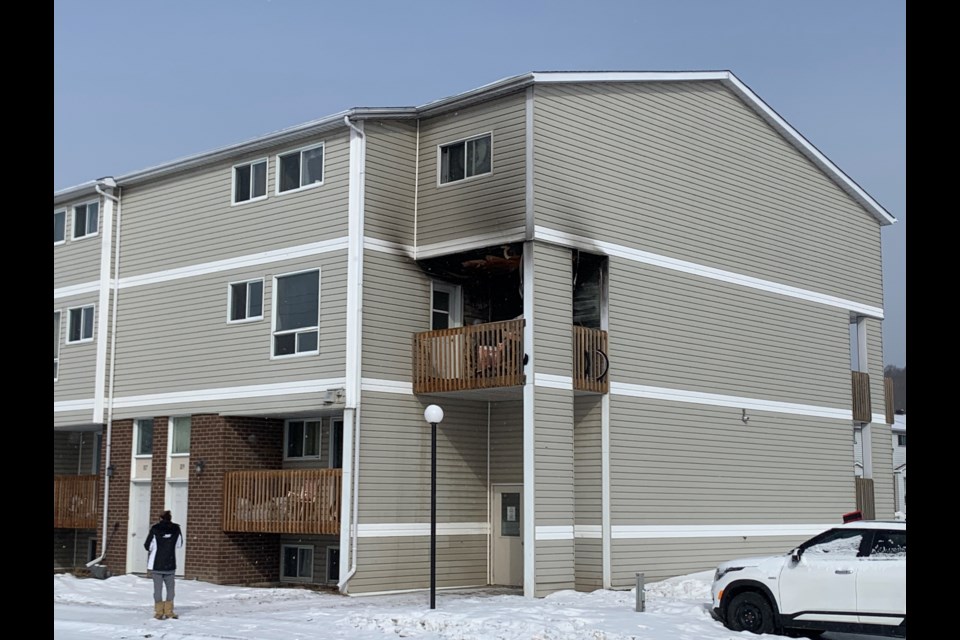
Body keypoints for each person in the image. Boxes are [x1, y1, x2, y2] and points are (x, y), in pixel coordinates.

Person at [144, 510, 184, 620]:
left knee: (158, 589)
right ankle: (169, 611)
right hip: (170, 563)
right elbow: (179, 544)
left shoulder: (155, 529)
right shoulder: (176, 528)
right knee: (170, 589)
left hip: (156, 564)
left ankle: (159, 612)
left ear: (160, 518)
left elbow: (147, 545)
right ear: (170, 518)